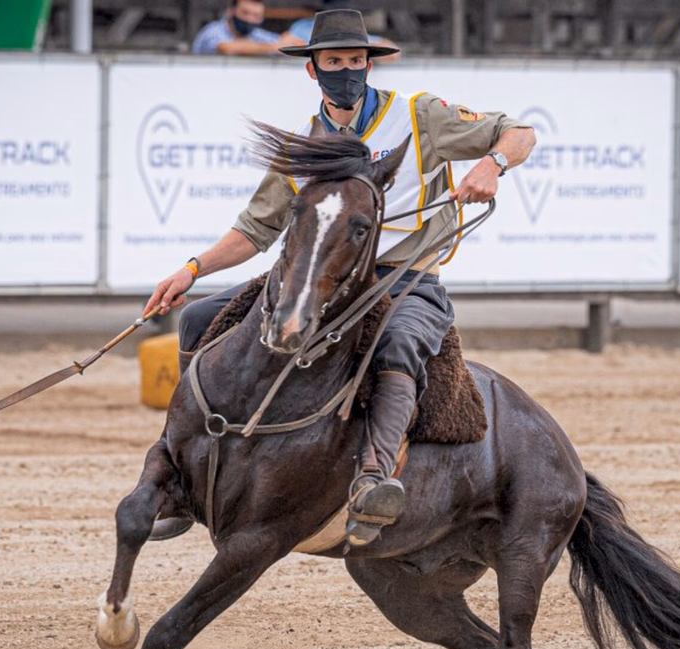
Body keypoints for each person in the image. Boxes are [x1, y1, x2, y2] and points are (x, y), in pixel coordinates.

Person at [149, 9, 536, 546]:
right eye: (335, 62)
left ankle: (374, 479)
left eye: (356, 60)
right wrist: (191, 270)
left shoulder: (419, 117)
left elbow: (519, 132)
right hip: (320, 281)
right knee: (197, 318)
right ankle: (180, 472)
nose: (348, 70)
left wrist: (492, 164)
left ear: (369, 65)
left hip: (403, 279)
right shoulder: (302, 147)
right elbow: (256, 230)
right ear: (314, 71)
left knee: (399, 345)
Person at [192, 0, 302, 56]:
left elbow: (296, 45)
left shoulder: (257, 34)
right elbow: (227, 48)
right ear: (231, 11)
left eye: (256, 16)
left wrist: (289, 41)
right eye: (245, 13)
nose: (250, 19)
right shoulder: (213, 30)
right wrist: (274, 47)